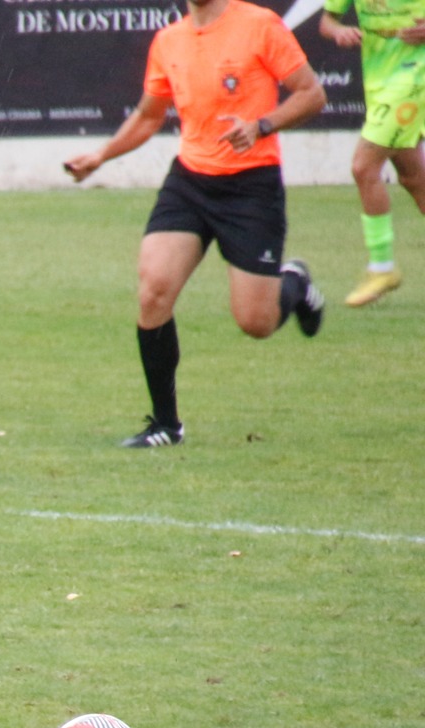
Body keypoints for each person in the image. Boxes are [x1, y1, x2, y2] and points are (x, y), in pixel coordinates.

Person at [64, 0, 327, 447]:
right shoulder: (169, 40)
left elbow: (312, 94)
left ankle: (295, 284)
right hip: (190, 182)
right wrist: (100, 156)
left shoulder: (260, 25)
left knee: (255, 322)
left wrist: (261, 126)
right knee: (153, 291)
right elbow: (150, 114)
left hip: (251, 187)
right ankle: (166, 425)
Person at [319, 0, 425, 305]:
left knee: (364, 166)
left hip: (414, 77)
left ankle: (382, 267)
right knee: (414, 178)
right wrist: (339, 31)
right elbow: (326, 22)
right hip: (379, 80)